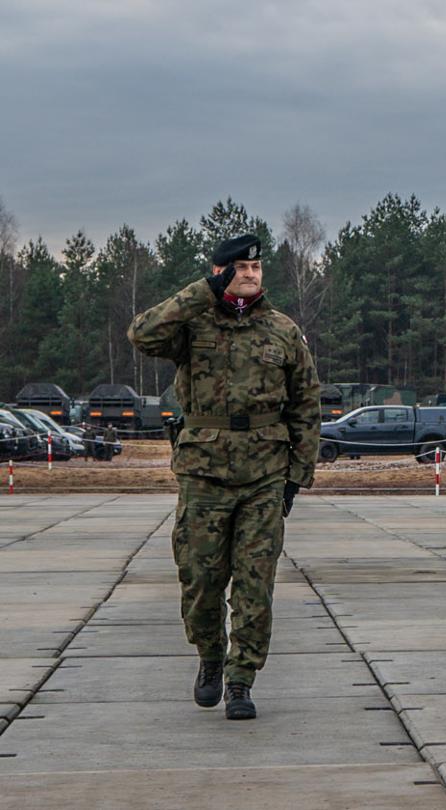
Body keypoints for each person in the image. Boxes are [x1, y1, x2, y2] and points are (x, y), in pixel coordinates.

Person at [128, 233, 320, 721]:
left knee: (256, 586)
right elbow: (142, 333)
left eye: (257, 269)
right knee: (200, 580)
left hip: (264, 473)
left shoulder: (283, 330)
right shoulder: (192, 324)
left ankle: (240, 680)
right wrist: (202, 293)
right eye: (241, 269)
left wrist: (297, 475)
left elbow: (306, 404)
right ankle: (210, 658)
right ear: (220, 273)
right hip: (204, 473)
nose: (252, 275)